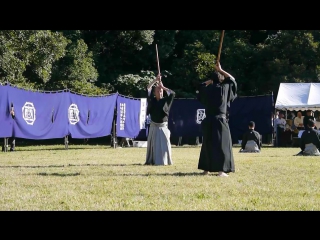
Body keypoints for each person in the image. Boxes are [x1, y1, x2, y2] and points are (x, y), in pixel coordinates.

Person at [196, 61, 237, 177]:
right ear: (222, 80)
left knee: (207, 144)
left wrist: (210, 80)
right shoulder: (224, 88)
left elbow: (200, 86)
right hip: (220, 121)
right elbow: (233, 80)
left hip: (208, 120)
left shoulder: (207, 90)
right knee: (222, 145)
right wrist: (221, 70)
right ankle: (221, 171)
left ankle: (206, 170)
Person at [144, 74, 175, 165]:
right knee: (153, 145)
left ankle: (165, 160)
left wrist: (163, 87)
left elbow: (172, 93)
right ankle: (152, 160)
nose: (160, 92)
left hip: (163, 126)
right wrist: (155, 80)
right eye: (158, 91)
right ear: (154, 93)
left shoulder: (166, 101)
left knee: (165, 144)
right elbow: (148, 88)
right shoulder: (152, 100)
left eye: (161, 91)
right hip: (153, 125)